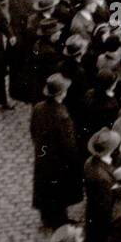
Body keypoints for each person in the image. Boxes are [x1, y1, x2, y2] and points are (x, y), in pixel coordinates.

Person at [31, 72, 83, 230]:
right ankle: (60, 220)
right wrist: (75, 161)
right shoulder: (63, 115)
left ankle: (46, 217)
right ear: (62, 93)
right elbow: (68, 144)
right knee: (59, 190)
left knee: (45, 186)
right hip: (59, 159)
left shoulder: (39, 108)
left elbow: (33, 130)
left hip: (43, 154)